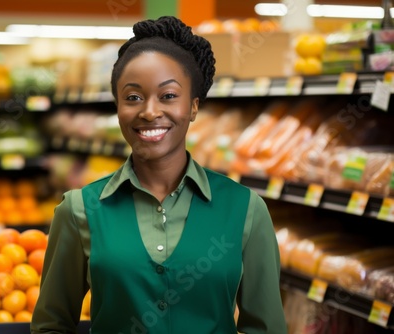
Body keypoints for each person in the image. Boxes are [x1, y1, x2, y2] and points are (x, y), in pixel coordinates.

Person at [31, 16, 287, 334]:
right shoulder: (80, 209)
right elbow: (51, 325)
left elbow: (266, 328)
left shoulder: (246, 210)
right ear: (118, 106)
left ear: (193, 107)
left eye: (168, 96)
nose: (150, 111)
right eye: (133, 97)